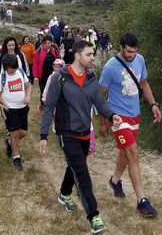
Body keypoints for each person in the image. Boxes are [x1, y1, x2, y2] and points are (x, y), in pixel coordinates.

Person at [37, 40, 122, 234]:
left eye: (93, 54)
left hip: (85, 131)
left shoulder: (92, 77)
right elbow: (49, 106)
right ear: (77, 55)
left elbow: (99, 102)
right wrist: (43, 135)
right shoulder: (61, 77)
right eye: (89, 54)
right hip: (66, 133)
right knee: (82, 174)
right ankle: (94, 216)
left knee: (74, 166)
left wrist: (111, 115)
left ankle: (64, 193)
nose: (93, 57)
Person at [98, 32, 162, 218]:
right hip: (117, 117)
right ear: (121, 48)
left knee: (125, 153)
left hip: (135, 115)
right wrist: (103, 122)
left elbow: (143, 83)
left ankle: (115, 180)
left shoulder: (140, 60)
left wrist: (153, 105)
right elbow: (100, 96)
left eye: (134, 51)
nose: (132, 55)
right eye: (129, 51)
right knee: (133, 153)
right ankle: (142, 201)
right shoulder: (110, 68)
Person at [0, 54, 32, 170]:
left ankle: (9, 141)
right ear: (5, 67)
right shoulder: (2, 77)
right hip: (10, 109)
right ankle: (16, 157)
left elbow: (28, 85)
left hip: (22, 107)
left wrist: (28, 96)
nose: (13, 71)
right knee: (14, 131)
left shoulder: (20, 72)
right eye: (11, 69)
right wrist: (4, 103)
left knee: (23, 132)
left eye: (14, 68)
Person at [33, 35, 59, 111]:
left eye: (49, 43)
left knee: (53, 91)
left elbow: (58, 61)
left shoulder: (54, 50)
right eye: (46, 43)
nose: (48, 44)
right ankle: (43, 106)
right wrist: (35, 76)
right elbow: (35, 64)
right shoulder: (39, 51)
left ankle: (52, 106)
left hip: (53, 75)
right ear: (43, 43)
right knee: (43, 91)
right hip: (43, 76)